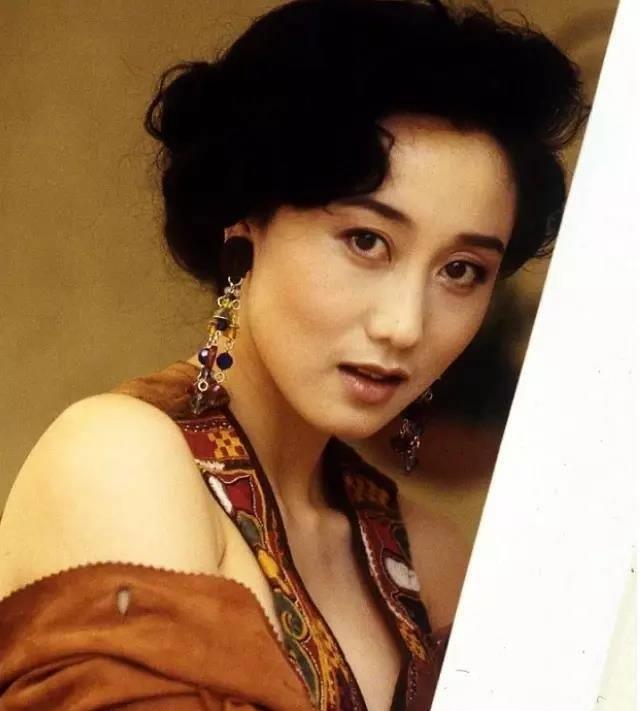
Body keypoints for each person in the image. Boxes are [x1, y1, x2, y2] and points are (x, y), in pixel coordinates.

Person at [0, 1, 588, 710]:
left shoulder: (431, 563)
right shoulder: (120, 459)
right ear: (245, 221)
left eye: (461, 270)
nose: (405, 325)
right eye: (367, 241)